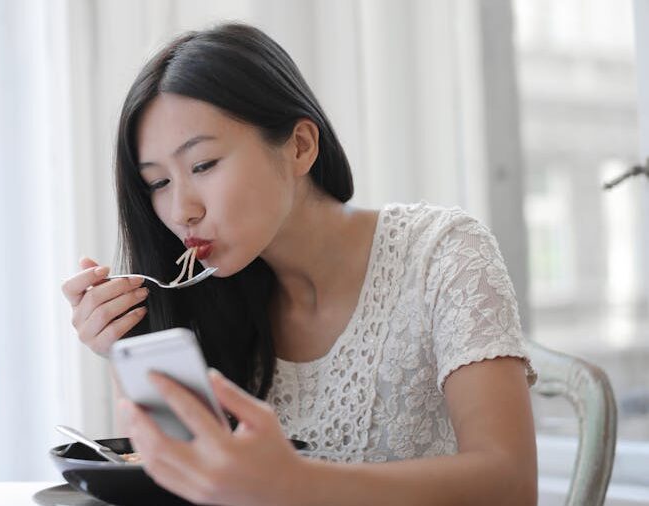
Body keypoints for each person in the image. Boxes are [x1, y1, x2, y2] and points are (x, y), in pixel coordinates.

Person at [61, 22, 537, 506]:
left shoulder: (442, 253)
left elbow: (511, 486)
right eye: (158, 183)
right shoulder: (207, 301)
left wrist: (297, 484)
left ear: (300, 146)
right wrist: (131, 352)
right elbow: (181, 486)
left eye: (203, 165)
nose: (181, 209)